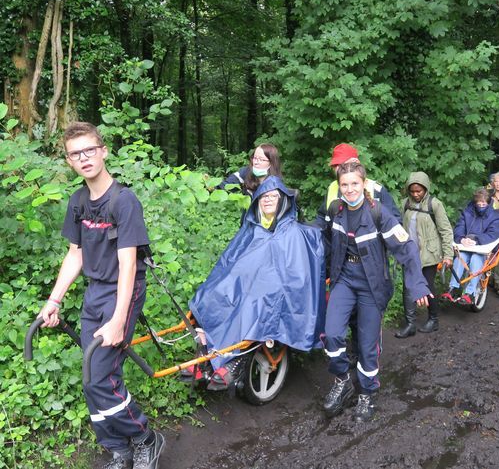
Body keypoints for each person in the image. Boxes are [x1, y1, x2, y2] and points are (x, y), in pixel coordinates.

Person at [37, 122, 163, 469]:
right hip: (95, 291)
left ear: (103, 151)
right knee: (92, 378)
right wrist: (54, 301)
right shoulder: (78, 201)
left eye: (90, 149)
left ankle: (146, 439)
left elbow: (128, 265)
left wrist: (119, 319)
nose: (84, 157)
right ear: (69, 161)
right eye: (76, 154)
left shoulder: (124, 202)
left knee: (100, 379)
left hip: (123, 290)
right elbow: (75, 254)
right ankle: (117, 448)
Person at [189, 176, 325, 389]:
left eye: (273, 196)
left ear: (283, 202)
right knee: (210, 297)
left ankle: (234, 361)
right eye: (264, 196)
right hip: (244, 283)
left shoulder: (293, 233)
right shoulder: (251, 228)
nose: (268, 200)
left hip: (272, 291)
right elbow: (229, 262)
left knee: (251, 307)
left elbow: (296, 275)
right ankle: (205, 354)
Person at [322, 162, 431, 423]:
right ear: (339, 186)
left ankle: (367, 394)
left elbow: (407, 247)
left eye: (354, 184)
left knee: (367, 345)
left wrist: (417, 284)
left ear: (364, 184)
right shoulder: (335, 210)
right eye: (344, 185)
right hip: (344, 281)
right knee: (332, 335)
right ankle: (343, 381)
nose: (349, 190)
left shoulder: (378, 213)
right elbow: (326, 243)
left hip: (371, 286)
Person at [395, 171, 453, 338]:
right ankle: (410, 323)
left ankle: (433, 319)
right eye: (412, 191)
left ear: (426, 189)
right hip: (409, 254)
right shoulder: (404, 203)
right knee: (408, 288)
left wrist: (448, 255)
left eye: (419, 191)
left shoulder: (434, 205)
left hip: (429, 254)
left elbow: (445, 230)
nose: (415, 194)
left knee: (427, 286)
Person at [315, 143, 401, 228]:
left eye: (342, 165)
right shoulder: (332, 188)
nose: (337, 169)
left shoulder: (376, 189)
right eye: (335, 166)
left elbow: (395, 223)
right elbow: (322, 220)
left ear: (356, 163)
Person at [441, 188, 499, 305]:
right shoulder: (467, 213)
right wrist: (461, 238)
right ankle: (453, 288)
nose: (481, 206)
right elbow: (459, 228)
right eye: (478, 204)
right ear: (474, 203)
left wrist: (477, 240)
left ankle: (470, 292)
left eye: (483, 204)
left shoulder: (495, 216)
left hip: (481, 248)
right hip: (466, 245)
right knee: (461, 257)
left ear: (488, 203)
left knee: (476, 258)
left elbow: (493, 234)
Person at [217, 143, 282, 195]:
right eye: (255, 158)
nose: (256, 162)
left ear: (271, 162)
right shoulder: (246, 172)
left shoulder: (276, 184)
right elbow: (225, 186)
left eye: (261, 159)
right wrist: (210, 187)